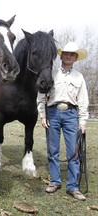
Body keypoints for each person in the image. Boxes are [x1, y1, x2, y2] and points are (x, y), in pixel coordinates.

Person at [37, 41, 89, 201]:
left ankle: (73, 186)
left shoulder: (79, 77)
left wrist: (83, 121)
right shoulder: (51, 73)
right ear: (61, 56)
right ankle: (55, 181)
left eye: (71, 54)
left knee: (74, 152)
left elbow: (83, 100)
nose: (68, 56)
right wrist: (42, 115)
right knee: (53, 150)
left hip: (71, 115)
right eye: (65, 53)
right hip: (52, 112)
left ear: (75, 58)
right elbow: (41, 95)